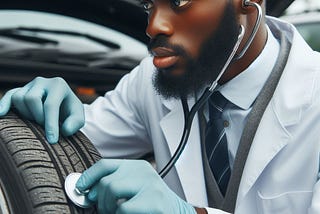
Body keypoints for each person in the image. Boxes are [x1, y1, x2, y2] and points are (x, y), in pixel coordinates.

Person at [0, 0, 320, 213]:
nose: (154, 26)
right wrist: (40, 120)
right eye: (149, 4)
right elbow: (72, 151)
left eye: (179, 1)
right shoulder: (151, 80)